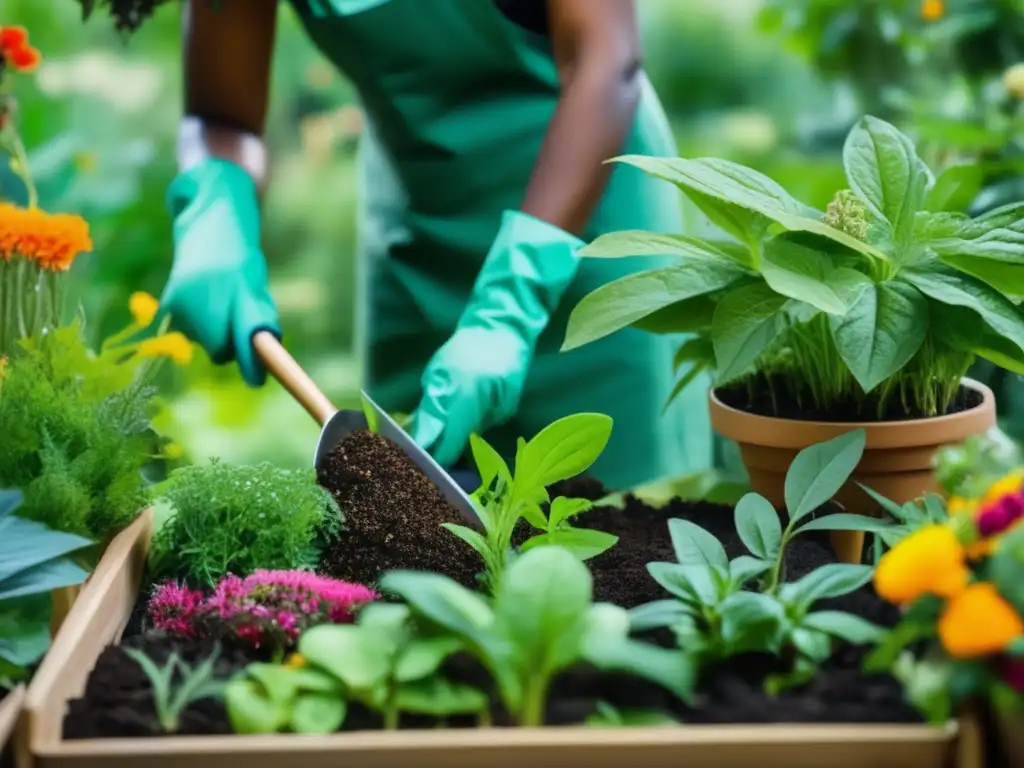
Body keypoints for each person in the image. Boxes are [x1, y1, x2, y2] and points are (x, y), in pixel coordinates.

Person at [155, 0, 712, 490]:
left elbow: (604, 59)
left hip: (583, 232)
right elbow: (221, 115)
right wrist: (215, 207)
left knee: (621, 553)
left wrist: (510, 303)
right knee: (413, 545)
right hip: (417, 247)